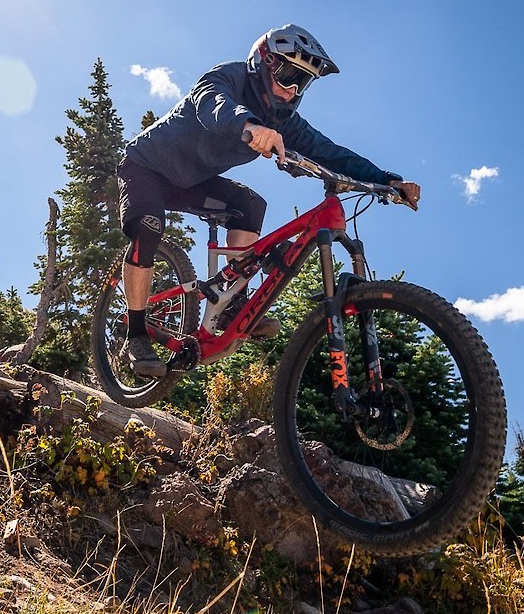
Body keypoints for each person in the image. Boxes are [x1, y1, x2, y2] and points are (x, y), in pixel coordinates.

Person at [116, 24, 421, 378]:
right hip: (146, 167)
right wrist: (248, 125)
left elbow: (329, 152)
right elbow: (212, 105)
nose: (293, 90)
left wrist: (386, 180)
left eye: (303, 82)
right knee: (148, 229)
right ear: (264, 63)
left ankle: (232, 303)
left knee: (250, 206)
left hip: (191, 182)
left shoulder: (283, 119)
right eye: (289, 75)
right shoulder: (227, 78)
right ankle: (135, 333)